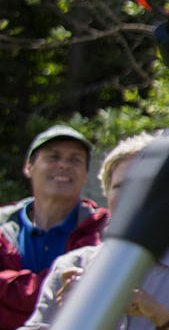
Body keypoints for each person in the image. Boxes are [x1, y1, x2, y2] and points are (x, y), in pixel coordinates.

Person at [22, 131, 169, 329]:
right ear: (106, 195)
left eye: (144, 186)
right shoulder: (70, 266)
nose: (130, 197)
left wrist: (158, 314)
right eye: (120, 187)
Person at [2, 125, 108, 329]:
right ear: (28, 167)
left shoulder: (105, 231)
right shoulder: (1, 226)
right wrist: (58, 284)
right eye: (53, 157)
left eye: (75, 160)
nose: (64, 165)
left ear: (86, 174)